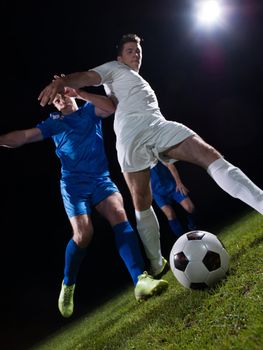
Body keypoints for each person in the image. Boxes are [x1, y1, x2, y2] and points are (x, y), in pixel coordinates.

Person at [38, 33, 263, 280]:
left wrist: (79, 93)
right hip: (130, 138)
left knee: (209, 155)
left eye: (138, 50)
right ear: (119, 57)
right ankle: (156, 262)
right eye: (130, 50)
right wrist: (63, 83)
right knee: (141, 201)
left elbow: (110, 104)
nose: (136, 54)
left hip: (158, 126)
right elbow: (88, 76)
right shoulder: (113, 68)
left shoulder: (134, 79)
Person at [0, 88, 169, 318]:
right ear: (55, 106)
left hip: (100, 180)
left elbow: (110, 106)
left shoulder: (90, 111)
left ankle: (141, 280)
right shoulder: (55, 123)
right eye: (57, 100)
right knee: (84, 234)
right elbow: (25, 136)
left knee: (119, 213)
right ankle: (68, 284)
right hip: (73, 186)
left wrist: (78, 91)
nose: (61, 101)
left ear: (71, 94)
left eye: (63, 95)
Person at [150, 160, 197, 238]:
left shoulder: (156, 153)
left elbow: (170, 166)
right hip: (158, 193)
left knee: (190, 208)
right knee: (170, 215)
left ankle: (193, 227)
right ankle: (181, 239)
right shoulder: (139, 163)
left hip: (173, 186)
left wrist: (179, 183)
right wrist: (151, 195)